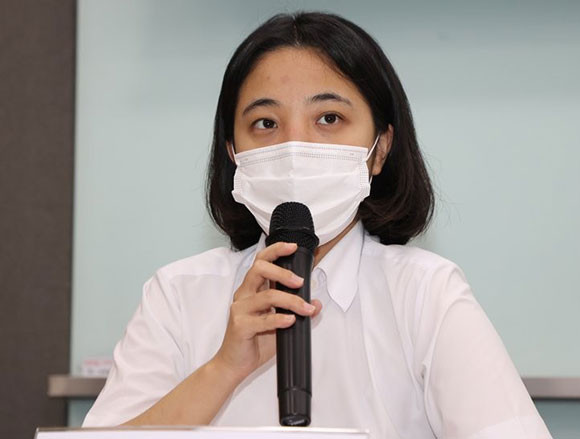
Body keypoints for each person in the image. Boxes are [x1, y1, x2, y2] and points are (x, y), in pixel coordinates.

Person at [83, 11, 552, 439]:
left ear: (380, 149)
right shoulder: (176, 295)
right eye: (265, 123)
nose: (294, 147)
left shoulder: (426, 293)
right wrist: (222, 369)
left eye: (329, 118)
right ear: (233, 153)